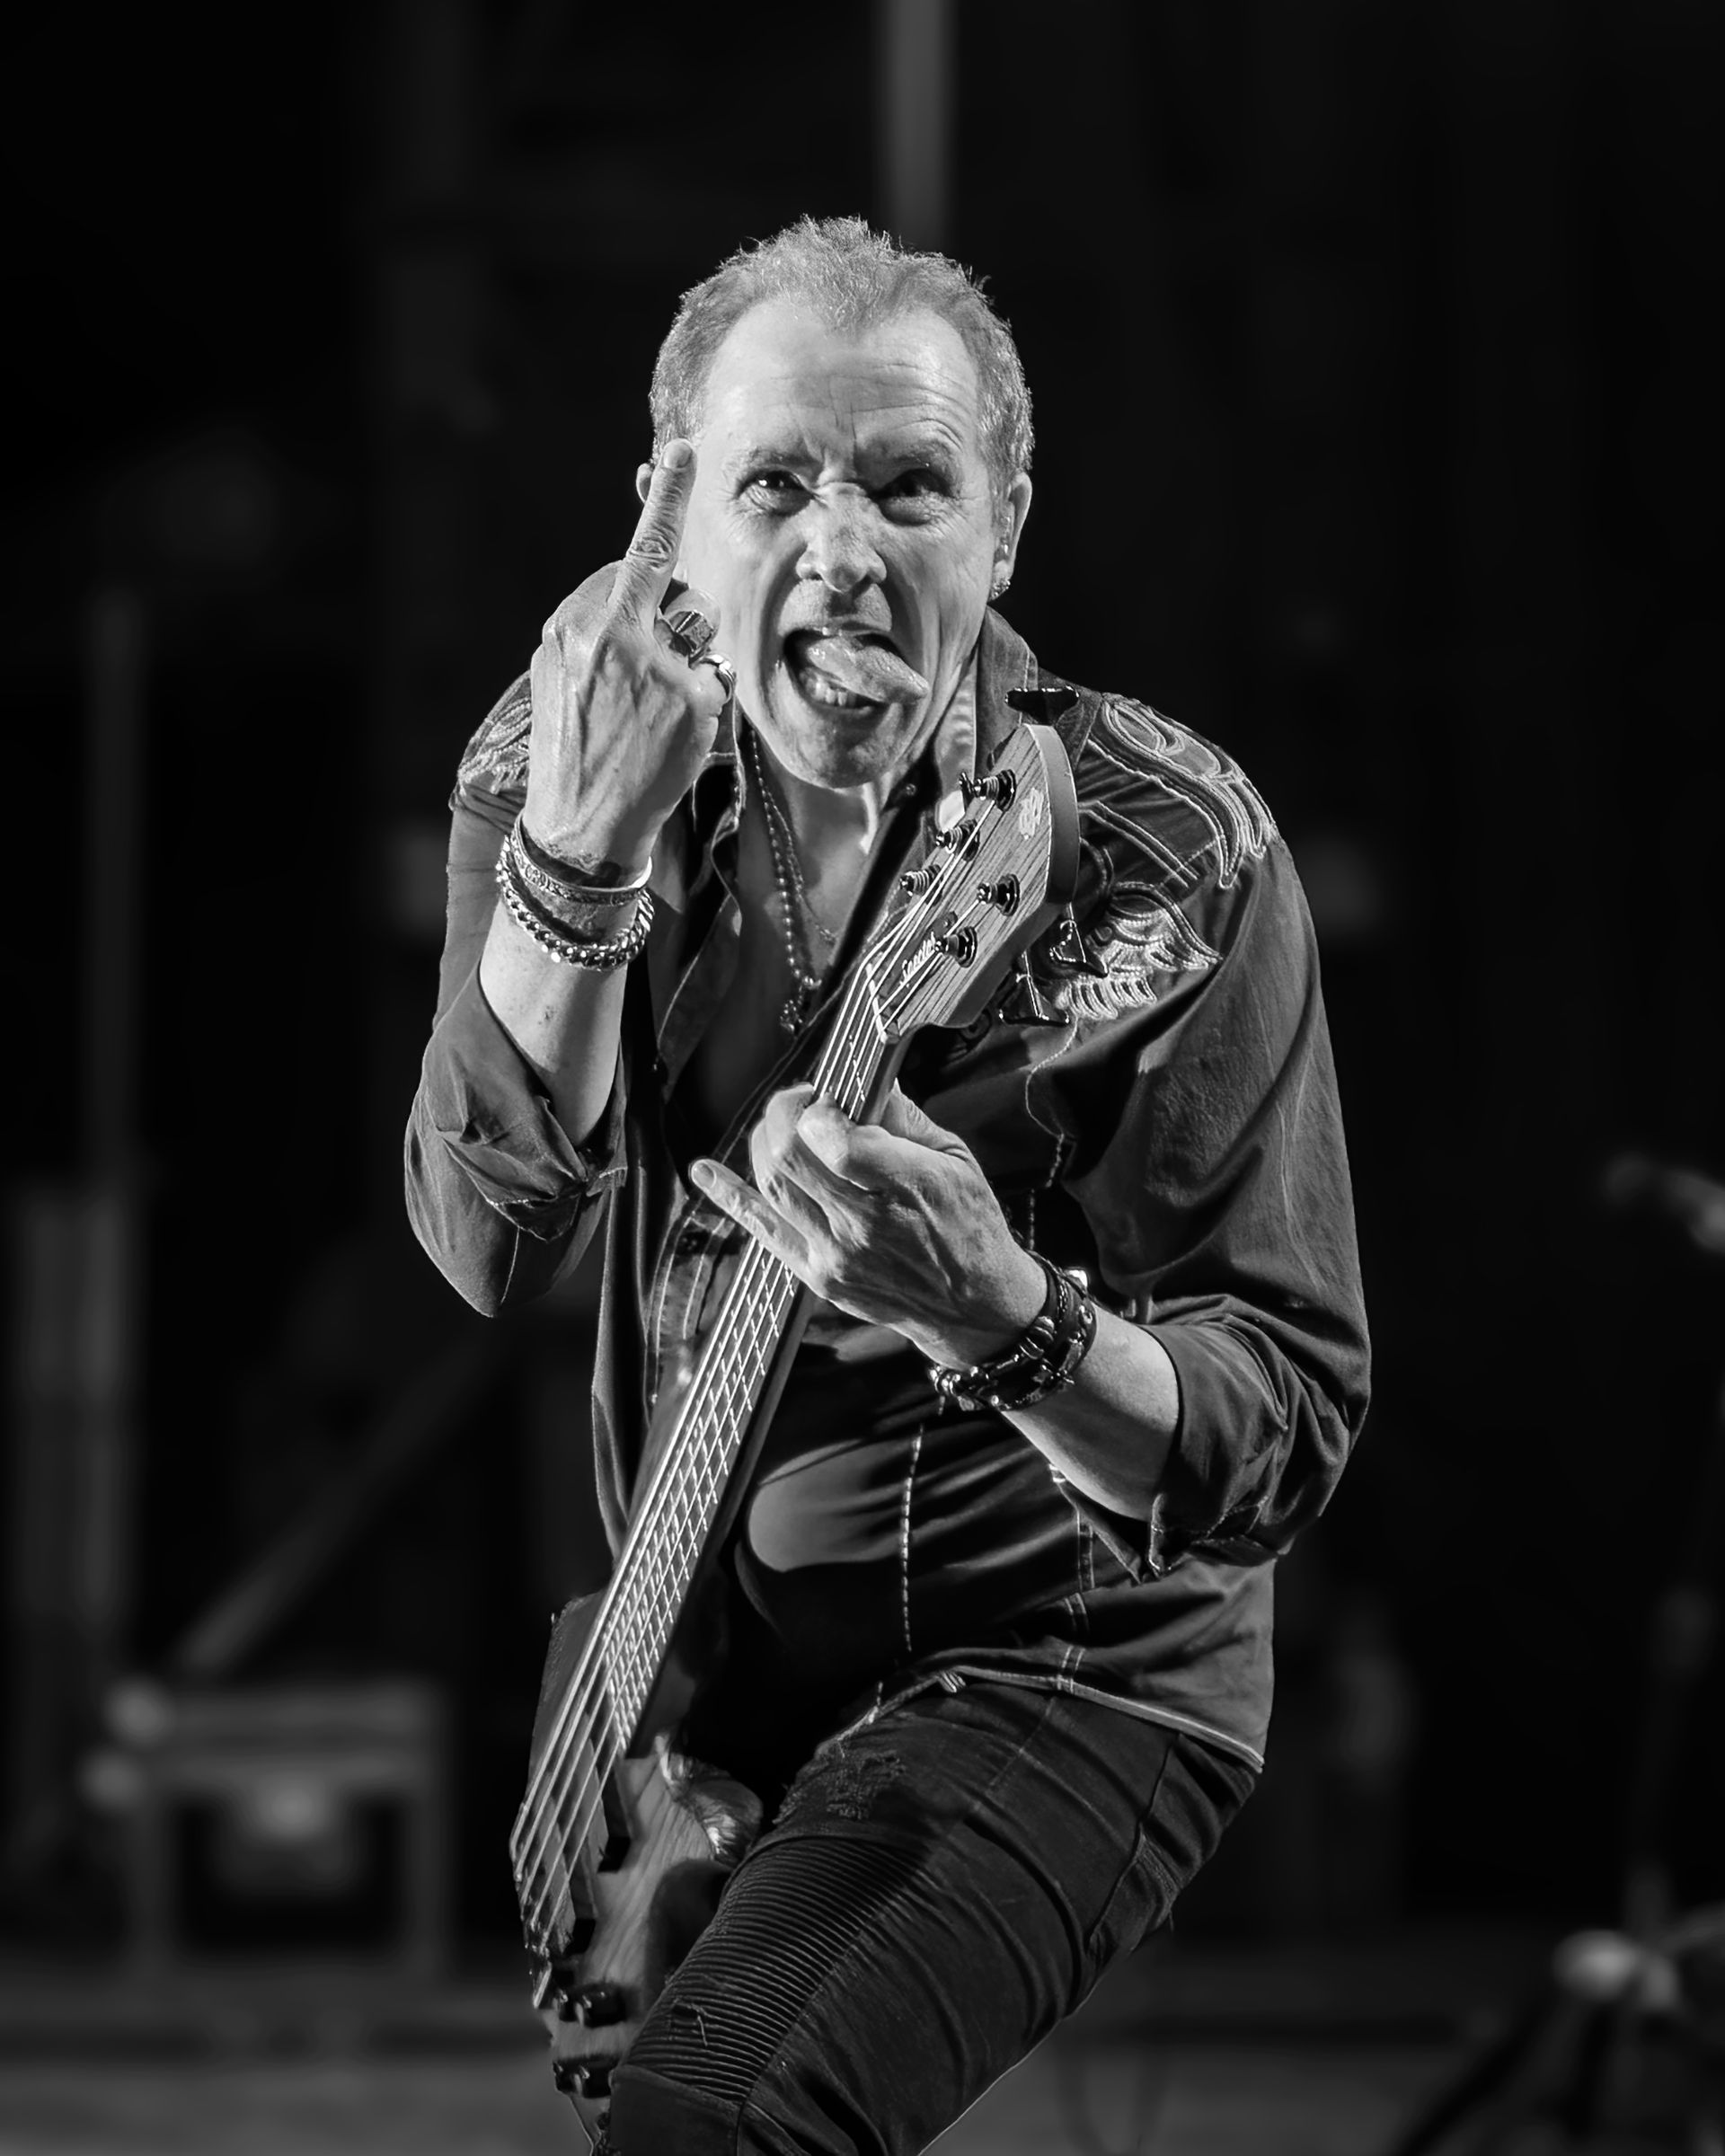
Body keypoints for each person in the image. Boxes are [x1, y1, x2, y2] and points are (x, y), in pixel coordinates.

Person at [405, 216, 1368, 2155]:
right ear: (668, 524)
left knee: (723, 2125)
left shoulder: (1164, 856)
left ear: (1002, 529)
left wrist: (1001, 1316)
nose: (840, 549)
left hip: (1072, 1665)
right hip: (698, 1653)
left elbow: (1278, 1435)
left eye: (909, 485)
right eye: (774, 484)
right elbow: (488, 1237)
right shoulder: (561, 764)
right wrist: (580, 863)